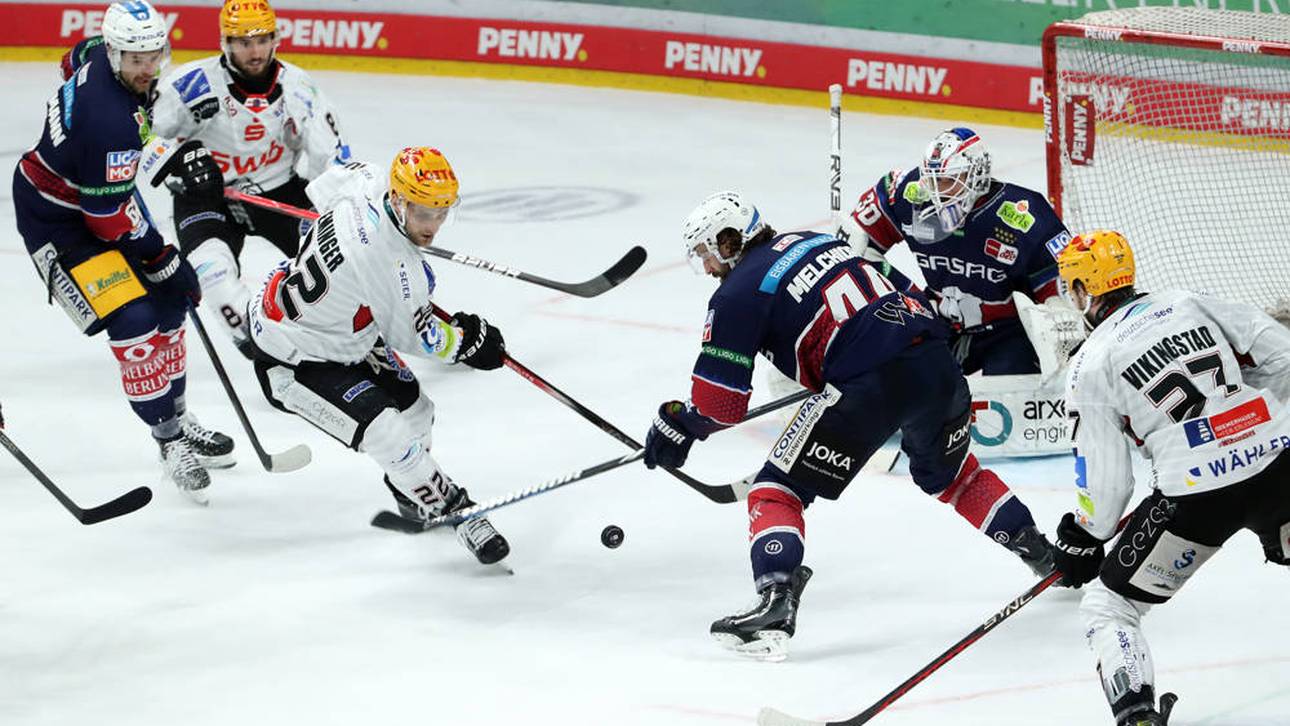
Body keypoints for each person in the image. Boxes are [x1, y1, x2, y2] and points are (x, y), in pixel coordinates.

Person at [643, 191, 1057, 661]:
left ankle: (776, 601)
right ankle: (1040, 551)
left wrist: (679, 423)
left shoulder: (735, 295)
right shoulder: (819, 241)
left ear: (729, 239)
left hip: (868, 388)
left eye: (706, 254)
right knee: (957, 476)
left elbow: (722, 404)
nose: (708, 267)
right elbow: (912, 293)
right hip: (935, 367)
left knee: (774, 492)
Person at [1049, 231, 1290, 726]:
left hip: (1197, 497)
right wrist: (1256, 416)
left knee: (1109, 605)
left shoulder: (1089, 362)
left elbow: (1109, 483)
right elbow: (1282, 354)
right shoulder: (1186, 300)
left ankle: (1136, 716)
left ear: (1082, 289)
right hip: (1279, 465)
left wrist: (1085, 537)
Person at [12, 1, 233, 501]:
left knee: (174, 299)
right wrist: (159, 255)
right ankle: (168, 438)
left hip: (93, 193)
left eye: (153, 55)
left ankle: (177, 414)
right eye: (134, 59)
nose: (146, 68)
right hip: (58, 223)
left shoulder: (96, 55)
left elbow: (74, 58)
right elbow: (104, 218)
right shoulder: (110, 121)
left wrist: (155, 157)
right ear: (113, 53)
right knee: (134, 317)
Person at [247, 148, 510, 565]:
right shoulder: (387, 261)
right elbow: (416, 335)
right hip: (293, 357)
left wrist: (343, 281)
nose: (434, 226)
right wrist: (467, 344)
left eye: (441, 213)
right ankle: (456, 509)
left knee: (418, 412)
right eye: (424, 213)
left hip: (342, 332)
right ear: (401, 201)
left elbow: (318, 188)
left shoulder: (367, 180)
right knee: (387, 432)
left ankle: (411, 487)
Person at [151, 0, 350, 356]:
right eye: (243, 41)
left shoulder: (299, 88)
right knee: (212, 274)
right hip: (206, 198)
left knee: (337, 265)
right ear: (225, 43)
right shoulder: (191, 84)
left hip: (279, 192)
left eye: (261, 39)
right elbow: (145, 135)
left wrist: (338, 214)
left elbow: (330, 158)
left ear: (276, 39)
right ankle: (264, 348)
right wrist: (176, 159)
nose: (254, 51)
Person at [839, 127, 1070, 376]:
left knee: (1010, 392)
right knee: (899, 382)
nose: (937, 191)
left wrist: (1058, 330)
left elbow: (1059, 290)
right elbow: (855, 247)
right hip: (938, 322)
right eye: (932, 179)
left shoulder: (1023, 215)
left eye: (948, 180)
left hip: (1007, 332)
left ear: (977, 176)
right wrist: (909, 295)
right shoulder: (906, 193)